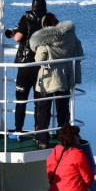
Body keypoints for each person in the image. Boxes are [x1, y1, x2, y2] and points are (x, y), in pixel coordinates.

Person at [29, 16, 83, 148]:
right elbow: (79, 52)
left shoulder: (44, 41)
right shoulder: (71, 37)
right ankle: (64, 139)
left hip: (48, 81)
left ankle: (42, 139)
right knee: (63, 112)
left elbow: (39, 59)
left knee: (44, 111)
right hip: (65, 78)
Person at [7, 0, 47, 133]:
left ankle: (18, 128)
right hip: (41, 64)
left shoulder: (27, 19)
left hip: (25, 64)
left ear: (32, 7)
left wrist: (15, 31)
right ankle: (39, 130)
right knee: (39, 100)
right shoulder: (48, 20)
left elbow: (17, 38)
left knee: (21, 99)